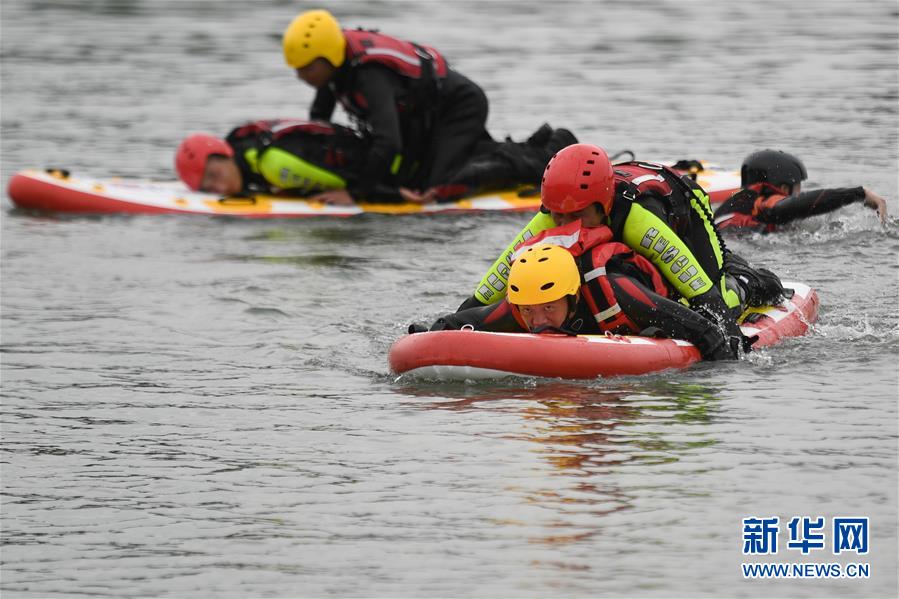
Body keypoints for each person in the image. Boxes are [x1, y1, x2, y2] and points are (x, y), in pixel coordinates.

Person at [457, 143, 784, 348]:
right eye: (558, 216)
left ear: (602, 205)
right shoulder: (549, 217)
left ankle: (749, 279)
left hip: (683, 211)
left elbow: (704, 296)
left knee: (713, 297)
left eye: (577, 215)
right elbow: (489, 290)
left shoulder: (638, 220)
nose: (566, 225)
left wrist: (729, 343)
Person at [414, 226, 741, 361]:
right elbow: (452, 324)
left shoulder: (615, 292)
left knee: (734, 294)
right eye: (528, 310)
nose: (537, 322)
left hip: (651, 287)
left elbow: (707, 331)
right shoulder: (519, 304)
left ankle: (746, 278)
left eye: (548, 308)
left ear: (572, 298)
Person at [282, 9, 492, 205]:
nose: (301, 76)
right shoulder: (335, 66)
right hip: (423, 116)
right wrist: (313, 172)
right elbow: (320, 121)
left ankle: (509, 165)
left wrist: (355, 194)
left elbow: (388, 142)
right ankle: (470, 152)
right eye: (297, 69)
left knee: (434, 189)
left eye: (308, 68)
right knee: (401, 179)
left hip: (461, 107)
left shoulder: (370, 76)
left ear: (329, 57)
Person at [174, 119, 576, 200]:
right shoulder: (249, 144)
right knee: (481, 154)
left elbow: (344, 177)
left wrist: (387, 196)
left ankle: (554, 152)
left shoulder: (273, 163)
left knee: (459, 182)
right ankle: (543, 142)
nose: (217, 186)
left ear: (223, 154)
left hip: (398, 168)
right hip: (400, 149)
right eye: (207, 186)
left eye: (214, 173)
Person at [713, 149, 888, 232]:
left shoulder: (735, 203)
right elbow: (795, 205)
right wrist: (858, 194)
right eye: (798, 187)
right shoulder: (764, 202)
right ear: (783, 188)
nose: (800, 193)